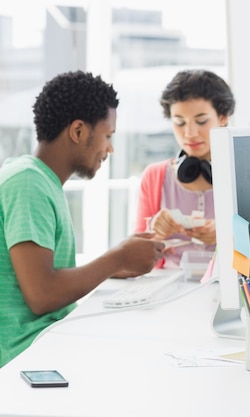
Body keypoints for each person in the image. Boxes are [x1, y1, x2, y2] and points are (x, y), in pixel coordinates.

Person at [0, 71, 165, 367]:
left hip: (43, 342)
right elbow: (42, 294)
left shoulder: (40, 180)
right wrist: (116, 259)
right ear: (78, 131)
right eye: (108, 136)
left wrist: (114, 265)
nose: (110, 149)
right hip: (23, 356)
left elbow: (44, 279)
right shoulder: (27, 182)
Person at [135, 69, 235, 268]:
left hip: (230, 288)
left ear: (222, 117)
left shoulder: (243, 173)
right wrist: (154, 231)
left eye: (201, 121)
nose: (189, 133)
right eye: (179, 122)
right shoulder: (155, 176)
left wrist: (228, 235)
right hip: (170, 287)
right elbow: (135, 255)